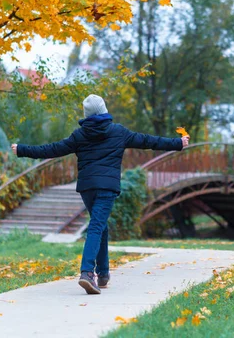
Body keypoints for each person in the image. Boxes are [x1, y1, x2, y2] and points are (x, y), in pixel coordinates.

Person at [11, 94, 189, 294]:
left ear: (86, 114)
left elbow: (52, 149)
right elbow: (149, 141)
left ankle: (103, 274)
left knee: (100, 226)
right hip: (107, 187)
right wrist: (177, 143)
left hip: (87, 188)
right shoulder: (118, 132)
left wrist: (22, 150)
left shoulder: (79, 135)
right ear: (104, 110)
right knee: (96, 226)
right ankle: (87, 273)